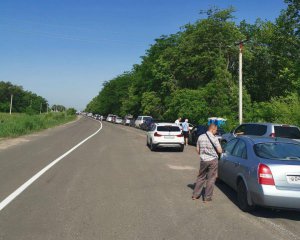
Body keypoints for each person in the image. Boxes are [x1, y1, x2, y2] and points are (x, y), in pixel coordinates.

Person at [192, 123, 222, 202]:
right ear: (212, 129)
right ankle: (207, 197)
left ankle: (195, 195)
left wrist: (202, 155)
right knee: (211, 179)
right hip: (213, 160)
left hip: (203, 160)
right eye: (216, 130)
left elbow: (197, 150)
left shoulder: (200, 137)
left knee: (201, 177)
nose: (216, 132)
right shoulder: (214, 138)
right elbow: (220, 150)